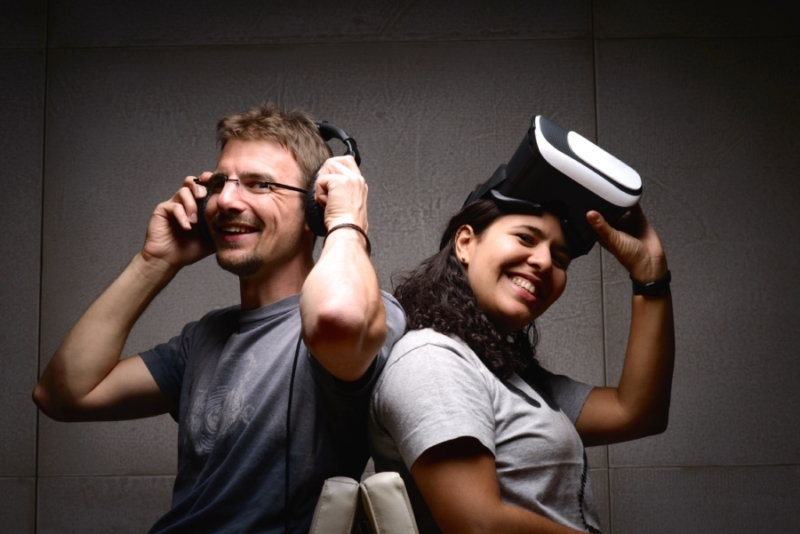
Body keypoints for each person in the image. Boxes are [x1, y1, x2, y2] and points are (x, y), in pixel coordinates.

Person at [33, 103, 406, 533]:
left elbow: (338, 318)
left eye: (260, 184)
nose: (226, 201)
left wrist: (346, 221)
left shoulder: (366, 311)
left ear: (313, 209)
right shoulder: (204, 339)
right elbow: (62, 394)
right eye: (220, 183)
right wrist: (154, 262)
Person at [369, 197, 674, 533]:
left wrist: (650, 277)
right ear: (466, 243)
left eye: (560, 258)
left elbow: (636, 412)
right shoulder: (432, 359)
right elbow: (477, 524)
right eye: (525, 238)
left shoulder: (507, 374)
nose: (544, 262)